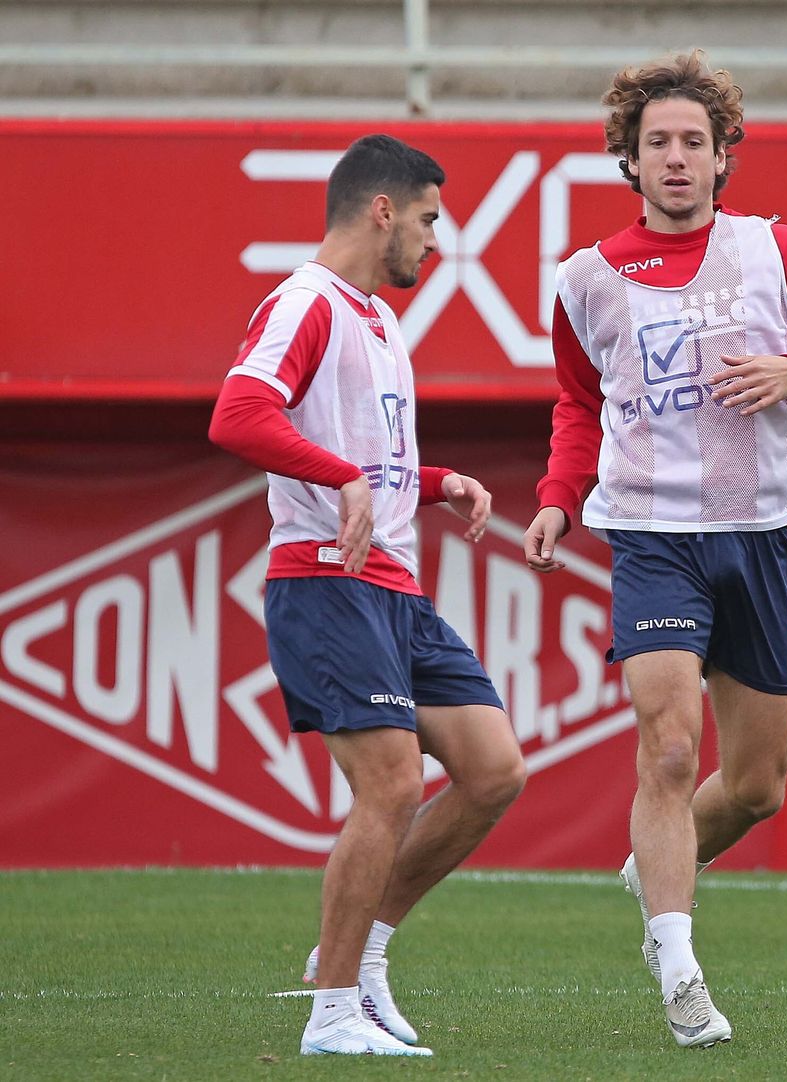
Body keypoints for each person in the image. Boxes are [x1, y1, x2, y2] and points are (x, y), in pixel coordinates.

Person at [523, 52, 787, 1047]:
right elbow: (578, 403)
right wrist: (560, 497)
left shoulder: (780, 254)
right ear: (629, 161)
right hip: (650, 536)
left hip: (759, 534)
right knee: (672, 746)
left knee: (760, 782)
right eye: (659, 144)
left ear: (724, 155)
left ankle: (654, 877)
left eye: (695, 141)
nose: (677, 158)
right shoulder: (586, 280)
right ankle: (681, 967)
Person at [209, 134, 526, 1056]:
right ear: (382, 210)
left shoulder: (378, 321)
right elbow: (239, 413)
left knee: (494, 769)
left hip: (395, 587)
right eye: (428, 218)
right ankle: (332, 1016)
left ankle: (364, 952)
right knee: (391, 783)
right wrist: (343, 478)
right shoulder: (304, 302)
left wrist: (434, 481)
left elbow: (362, 452)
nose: (436, 240)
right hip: (326, 580)